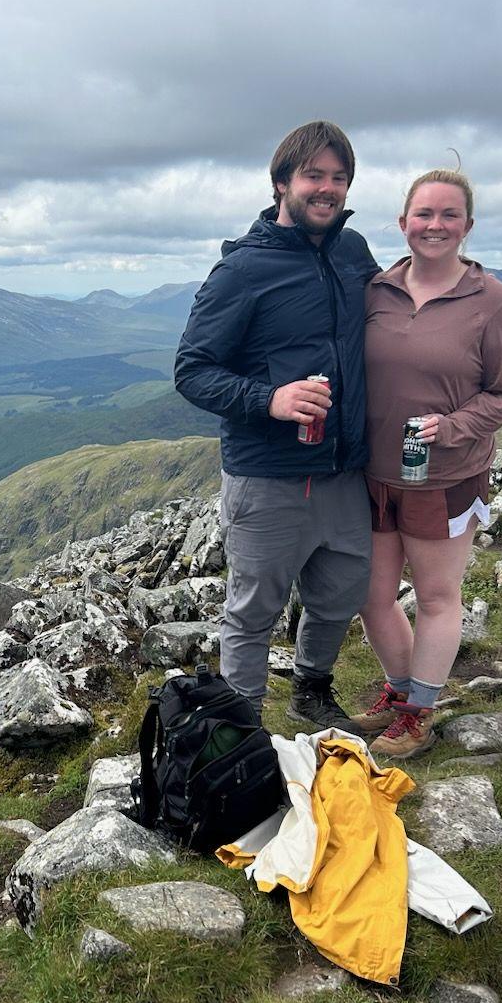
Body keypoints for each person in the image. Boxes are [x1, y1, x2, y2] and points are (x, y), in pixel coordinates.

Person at [174, 121, 378, 731]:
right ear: (281, 183)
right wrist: (270, 399)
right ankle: (241, 733)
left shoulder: (352, 251)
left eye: (339, 178)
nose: (328, 189)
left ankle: (312, 689)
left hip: (344, 470)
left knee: (339, 595)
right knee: (254, 610)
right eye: (314, 175)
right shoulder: (243, 270)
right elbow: (192, 370)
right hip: (268, 478)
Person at [353, 169, 502, 758]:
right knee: (372, 595)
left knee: (434, 595)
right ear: (403, 224)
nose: (434, 225)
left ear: (467, 227)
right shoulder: (376, 290)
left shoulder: (495, 302)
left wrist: (450, 429)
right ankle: (400, 692)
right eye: (423, 214)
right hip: (375, 474)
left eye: (448, 215)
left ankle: (418, 713)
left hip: (446, 478)